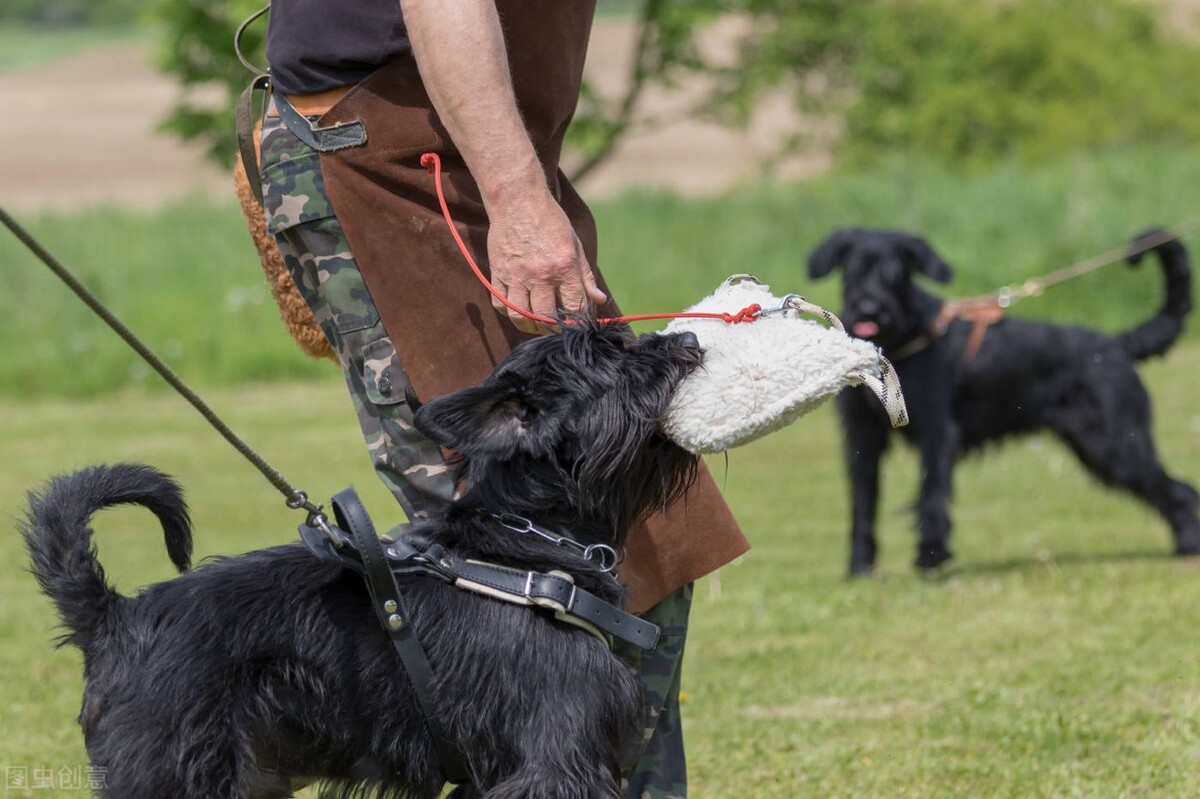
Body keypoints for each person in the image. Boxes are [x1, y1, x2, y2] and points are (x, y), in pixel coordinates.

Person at [249, 1, 749, 796]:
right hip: (396, 158)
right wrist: (517, 197)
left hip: (479, 157)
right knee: (506, 571)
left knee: (643, 525)